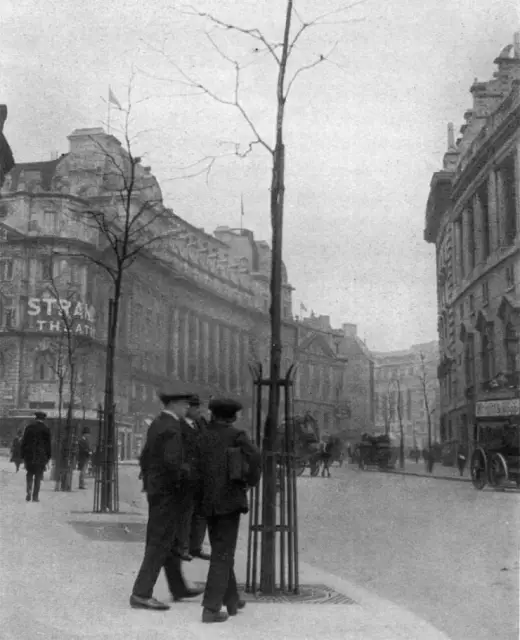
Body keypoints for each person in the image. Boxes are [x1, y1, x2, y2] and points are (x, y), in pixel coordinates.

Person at [130, 386, 204, 611]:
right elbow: (173, 464)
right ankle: (141, 593)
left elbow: (146, 457)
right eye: (184, 405)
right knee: (159, 542)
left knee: (169, 542)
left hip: (159, 491)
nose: (187, 409)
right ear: (174, 405)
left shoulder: (159, 423)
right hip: (168, 494)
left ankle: (178, 587)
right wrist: (191, 476)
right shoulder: (171, 427)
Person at [197, 397, 262, 623]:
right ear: (233, 417)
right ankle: (211, 608)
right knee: (223, 554)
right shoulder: (237, 436)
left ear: (212, 414)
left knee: (220, 549)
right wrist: (249, 481)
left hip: (206, 501)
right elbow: (256, 456)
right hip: (229, 501)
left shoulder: (202, 435)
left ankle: (231, 599)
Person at [182, 395, 211, 561]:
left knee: (201, 514)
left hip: (202, 476)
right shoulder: (178, 425)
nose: (199, 411)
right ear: (187, 408)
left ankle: (196, 547)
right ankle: (183, 548)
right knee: (186, 514)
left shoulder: (202, 423)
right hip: (186, 476)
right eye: (196, 408)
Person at [20, 412, 52, 502]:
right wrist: (48, 456)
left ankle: (29, 490)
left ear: (35, 418)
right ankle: (35, 496)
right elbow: (48, 445)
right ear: (43, 419)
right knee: (38, 476)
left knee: (29, 473)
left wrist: (22, 454)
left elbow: (24, 442)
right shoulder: (46, 429)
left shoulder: (29, 428)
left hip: (29, 455)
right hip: (41, 456)